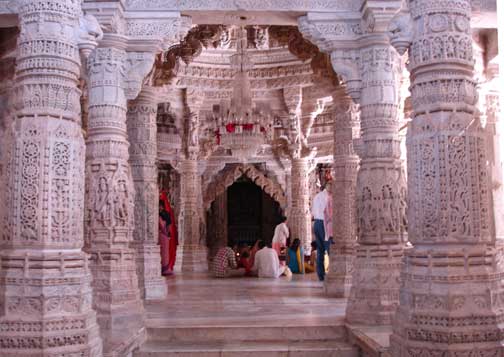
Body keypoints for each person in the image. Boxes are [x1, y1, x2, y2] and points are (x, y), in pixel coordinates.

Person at [311, 181, 332, 281]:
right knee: (329, 248)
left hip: (316, 223)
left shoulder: (317, 196)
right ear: (329, 187)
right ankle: (333, 273)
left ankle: (321, 275)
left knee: (320, 250)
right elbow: (328, 213)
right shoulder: (326, 197)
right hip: (324, 223)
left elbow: (313, 211)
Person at [158, 200, 171, 276]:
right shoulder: (159, 213)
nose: (159, 207)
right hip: (162, 235)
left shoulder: (164, 213)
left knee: (164, 252)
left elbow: (168, 224)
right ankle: (163, 267)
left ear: (161, 206)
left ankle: (164, 268)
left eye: (159, 206)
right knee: (162, 252)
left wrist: (167, 232)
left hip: (163, 234)